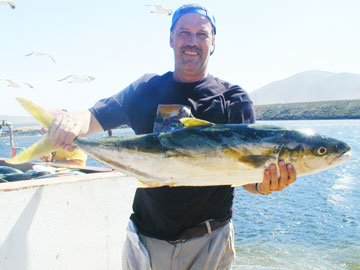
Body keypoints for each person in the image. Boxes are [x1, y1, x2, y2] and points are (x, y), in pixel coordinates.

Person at [47, 3, 296, 269]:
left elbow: (244, 175)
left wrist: (264, 185)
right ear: (171, 38)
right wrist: (70, 123)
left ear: (213, 42)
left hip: (208, 243)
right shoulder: (145, 88)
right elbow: (93, 119)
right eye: (184, 33)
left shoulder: (232, 99)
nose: (192, 41)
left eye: (202, 34)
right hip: (145, 241)